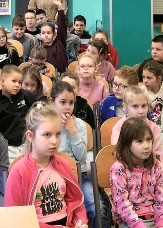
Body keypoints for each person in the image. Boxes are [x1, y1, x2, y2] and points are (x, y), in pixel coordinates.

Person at [5, 103, 89, 228]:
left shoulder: (63, 164)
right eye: (47, 135)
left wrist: (81, 222)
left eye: (58, 134)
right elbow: (16, 217)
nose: (54, 141)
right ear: (30, 136)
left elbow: (75, 201)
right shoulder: (19, 171)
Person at [51, 81, 112, 228]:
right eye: (63, 102)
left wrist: (73, 131)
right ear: (52, 103)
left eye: (71, 103)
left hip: (80, 175)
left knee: (96, 207)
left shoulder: (79, 125)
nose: (67, 107)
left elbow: (81, 156)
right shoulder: (48, 125)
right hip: (54, 176)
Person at [110, 87, 163, 206]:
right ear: (125, 108)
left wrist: (154, 180)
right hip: (127, 177)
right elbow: (119, 154)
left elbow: (158, 158)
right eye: (135, 106)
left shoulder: (154, 128)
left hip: (150, 176)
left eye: (144, 106)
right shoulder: (119, 128)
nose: (141, 111)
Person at [110, 118, 163, 228]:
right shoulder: (118, 169)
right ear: (127, 144)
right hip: (129, 221)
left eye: (148, 139)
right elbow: (122, 205)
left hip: (154, 217)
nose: (146, 146)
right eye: (139, 141)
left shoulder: (156, 166)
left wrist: (161, 223)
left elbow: (162, 198)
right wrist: (138, 225)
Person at [0, 64, 41, 161]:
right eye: (14, 81)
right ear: (3, 81)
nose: (17, 85)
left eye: (20, 82)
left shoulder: (23, 94)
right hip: (8, 148)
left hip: (27, 143)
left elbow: (40, 99)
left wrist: (39, 107)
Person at [136, 35, 163, 119]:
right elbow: (136, 81)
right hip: (151, 101)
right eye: (152, 49)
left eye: (158, 49)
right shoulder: (146, 64)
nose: (154, 52)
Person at [140, 61, 163, 147]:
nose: (145, 81)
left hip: (160, 129)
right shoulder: (142, 90)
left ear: (159, 79)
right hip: (145, 128)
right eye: (143, 77)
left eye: (149, 78)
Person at [39, 0, 69, 73]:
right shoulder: (40, 50)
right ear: (40, 34)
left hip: (62, 75)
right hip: (48, 76)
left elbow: (62, 26)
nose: (46, 35)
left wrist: (60, 7)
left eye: (48, 33)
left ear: (54, 34)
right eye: (43, 33)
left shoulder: (60, 42)